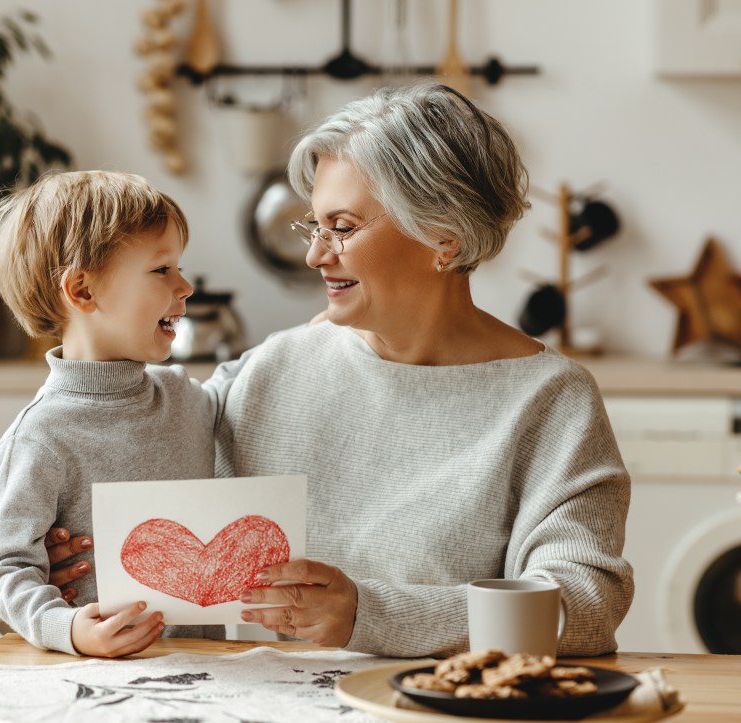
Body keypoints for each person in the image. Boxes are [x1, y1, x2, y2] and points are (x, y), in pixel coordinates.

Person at [49, 82, 634, 658]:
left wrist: (369, 614)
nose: (314, 255)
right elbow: (149, 476)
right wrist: (74, 553)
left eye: (344, 228)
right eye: (315, 226)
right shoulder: (276, 367)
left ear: (444, 238)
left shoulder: (550, 400)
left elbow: (585, 606)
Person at [0, 170, 226, 658]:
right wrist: (68, 628)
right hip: (91, 684)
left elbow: (254, 378)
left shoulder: (185, 398)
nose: (186, 286)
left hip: (207, 675)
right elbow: (6, 569)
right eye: (162, 270)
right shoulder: (40, 435)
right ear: (83, 292)